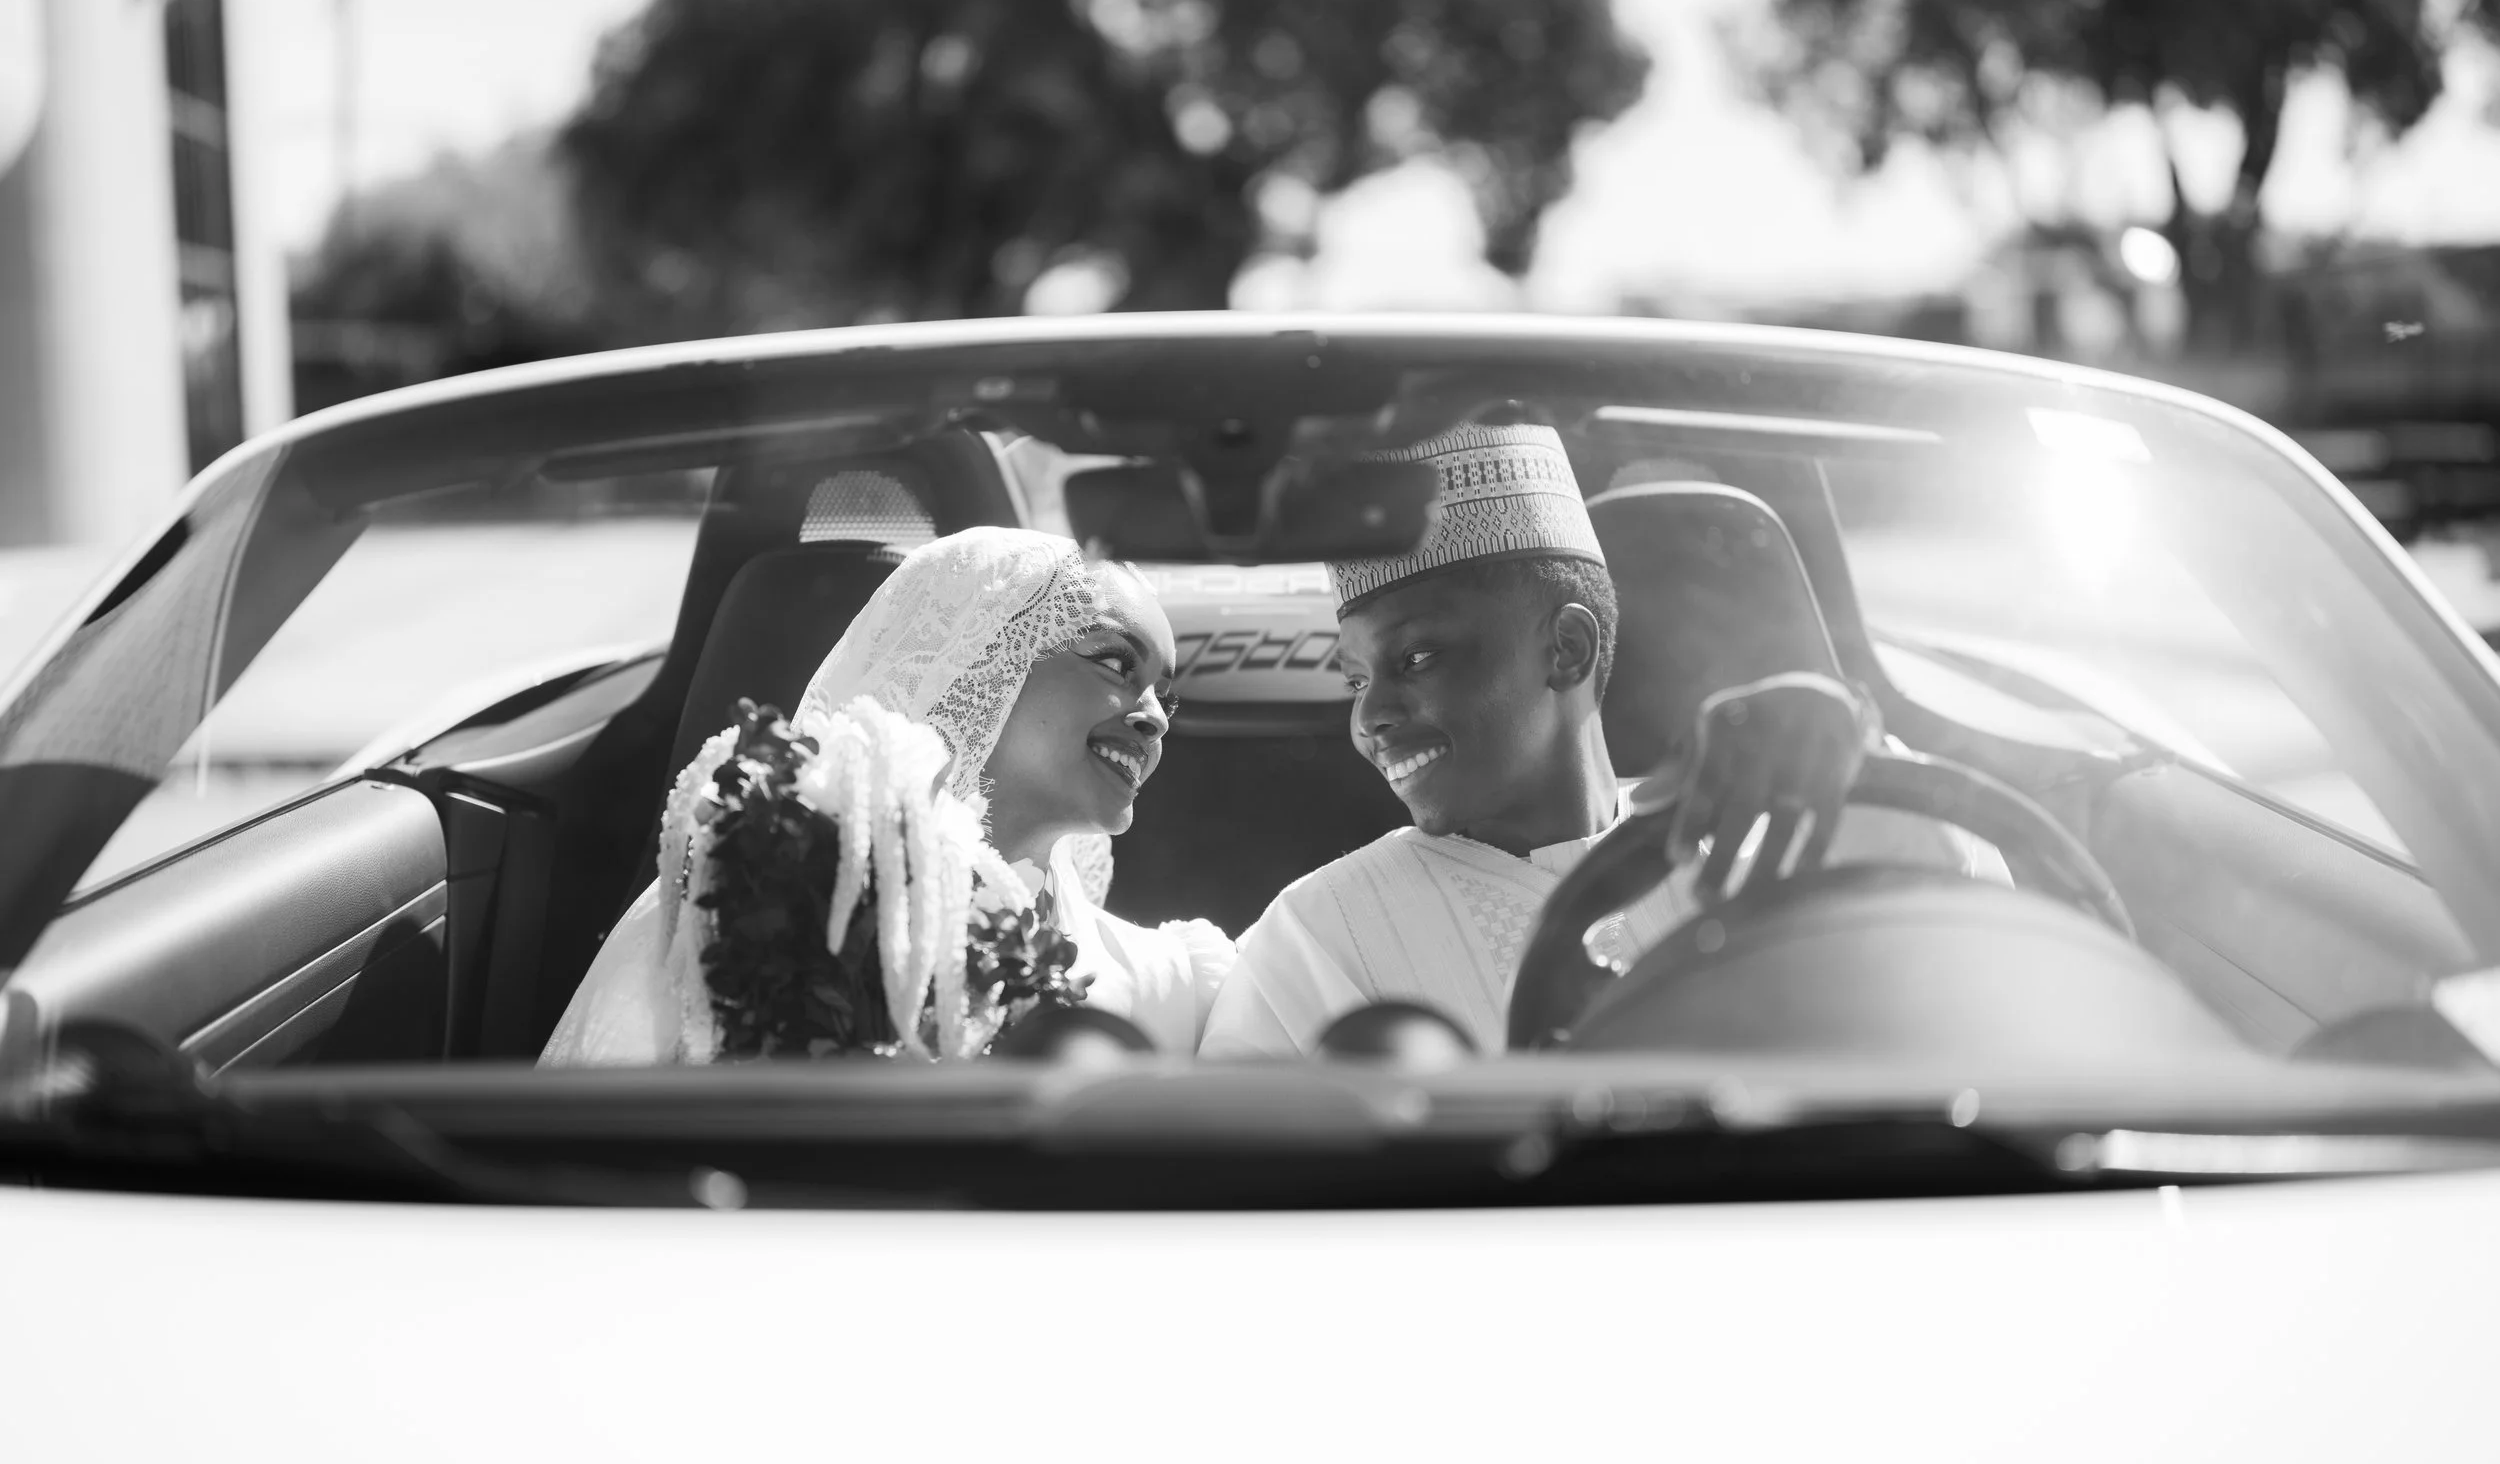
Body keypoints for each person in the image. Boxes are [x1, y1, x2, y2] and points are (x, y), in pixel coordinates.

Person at [1197, 423, 1985, 1059]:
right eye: (1356, 680)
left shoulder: (1767, 821)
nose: (1371, 718)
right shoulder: (1317, 934)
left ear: (1566, 649)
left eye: (1417, 658)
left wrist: (1850, 751)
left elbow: (1984, 962)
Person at [540, 526, 1232, 1065]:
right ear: (982, 661)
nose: (1154, 715)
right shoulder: (745, 886)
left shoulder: (1165, 978)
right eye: (1116, 662)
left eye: (1166, 697)